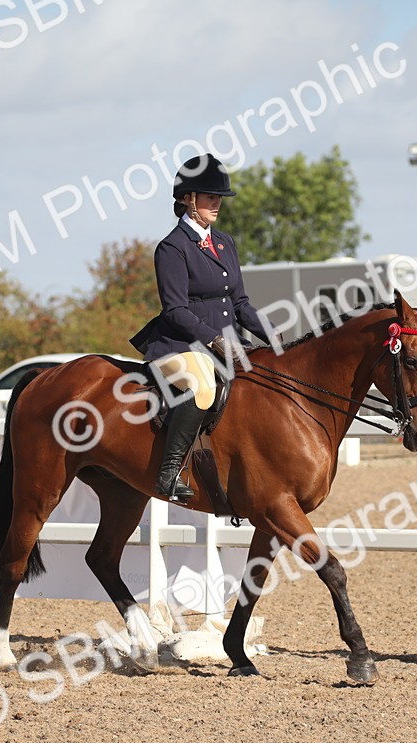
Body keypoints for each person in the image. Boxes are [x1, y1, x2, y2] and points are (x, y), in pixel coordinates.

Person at [129, 153, 273, 501]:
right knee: (203, 386)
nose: (217, 203)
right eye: (210, 197)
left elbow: (239, 302)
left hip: (225, 342)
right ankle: (169, 472)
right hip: (178, 346)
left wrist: (274, 335)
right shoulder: (172, 248)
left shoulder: (224, 242)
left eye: (219, 197)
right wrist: (213, 341)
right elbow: (175, 309)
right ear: (187, 199)